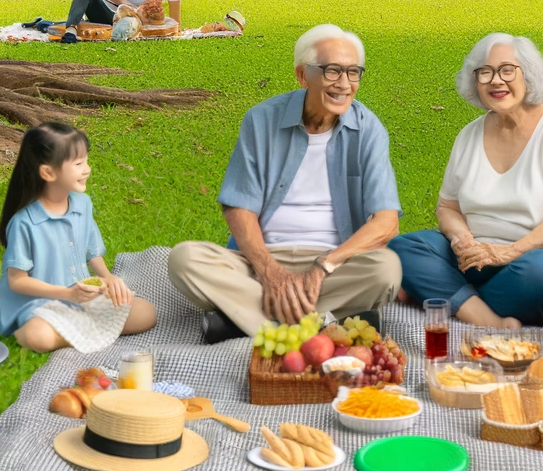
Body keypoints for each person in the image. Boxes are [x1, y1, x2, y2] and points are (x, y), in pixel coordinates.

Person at [168, 24, 403, 343]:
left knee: (386, 269)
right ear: (303, 76)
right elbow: (239, 207)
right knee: (185, 260)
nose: (345, 84)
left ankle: (248, 322)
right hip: (260, 261)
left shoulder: (369, 129)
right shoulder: (262, 120)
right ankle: (319, 325)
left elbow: (386, 223)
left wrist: (323, 267)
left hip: (333, 266)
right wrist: (269, 271)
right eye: (333, 71)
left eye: (353, 73)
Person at [390, 33, 543, 328]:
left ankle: (450, 296)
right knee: (405, 248)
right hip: (475, 260)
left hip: (538, 258)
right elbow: (448, 207)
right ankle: (487, 317)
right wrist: (462, 239)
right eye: (485, 72)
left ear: (529, 75)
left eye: (507, 70)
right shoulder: (468, 135)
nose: (496, 81)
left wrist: (509, 252)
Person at [0, 122, 157, 353]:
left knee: (146, 313)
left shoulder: (83, 204)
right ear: (48, 172)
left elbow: (92, 252)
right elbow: (17, 281)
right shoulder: (24, 223)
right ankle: (82, 331)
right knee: (38, 337)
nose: (87, 169)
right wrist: (68, 294)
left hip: (83, 298)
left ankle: (78, 329)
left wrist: (108, 278)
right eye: (79, 163)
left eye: (86, 161)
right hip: (42, 304)